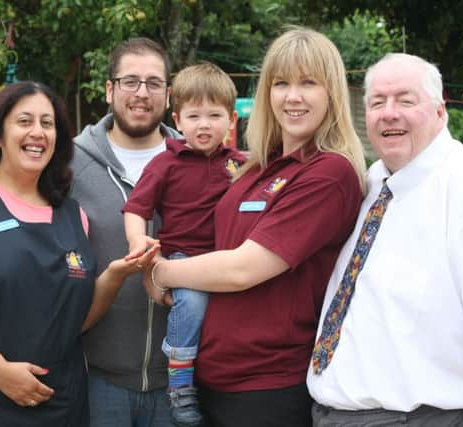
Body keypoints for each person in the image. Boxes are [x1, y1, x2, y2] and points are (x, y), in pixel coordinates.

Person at [142, 26, 367, 427]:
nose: (292, 96)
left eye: (308, 83)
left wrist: (160, 271)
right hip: (211, 377)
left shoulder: (329, 173)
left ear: (331, 92)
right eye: (281, 83)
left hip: (267, 386)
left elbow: (243, 268)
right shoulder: (254, 166)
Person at [0, 81, 158, 426]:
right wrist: (1, 373)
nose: (38, 132)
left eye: (48, 123)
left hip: (47, 400)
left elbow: (72, 320)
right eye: (24, 121)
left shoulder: (73, 216)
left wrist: (114, 276)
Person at [307, 53, 463, 427]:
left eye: (405, 99)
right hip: (332, 415)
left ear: (439, 110)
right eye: (377, 102)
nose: (389, 113)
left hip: (425, 418)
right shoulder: (371, 183)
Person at [122, 62, 245, 427]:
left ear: (231, 121)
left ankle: (218, 382)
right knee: (192, 302)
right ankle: (179, 380)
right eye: (193, 116)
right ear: (177, 119)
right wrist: (137, 240)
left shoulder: (239, 166)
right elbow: (135, 208)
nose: (203, 124)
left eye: (214, 115)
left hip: (225, 258)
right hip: (182, 257)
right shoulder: (166, 163)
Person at [70, 37, 180, 427]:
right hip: (96, 377)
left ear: (168, 94)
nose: (141, 93)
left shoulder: (196, 162)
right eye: (130, 81)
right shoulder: (68, 163)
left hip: (179, 381)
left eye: (153, 83)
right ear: (110, 89)